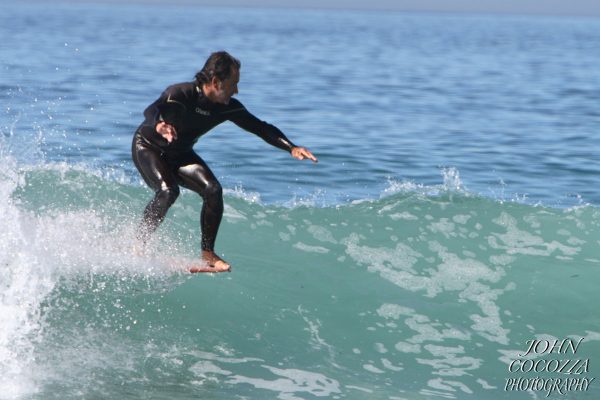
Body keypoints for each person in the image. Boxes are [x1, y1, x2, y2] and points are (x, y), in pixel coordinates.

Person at [132, 51, 317, 272]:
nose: (236, 90)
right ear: (215, 82)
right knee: (168, 191)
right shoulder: (180, 93)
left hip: (180, 154)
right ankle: (137, 244)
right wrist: (159, 124)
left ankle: (207, 253)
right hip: (149, 147)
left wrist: (291, 147)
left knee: (213, 190)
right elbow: (152, 109)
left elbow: (260, 127)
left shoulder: (227, 107)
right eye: (233, 84)